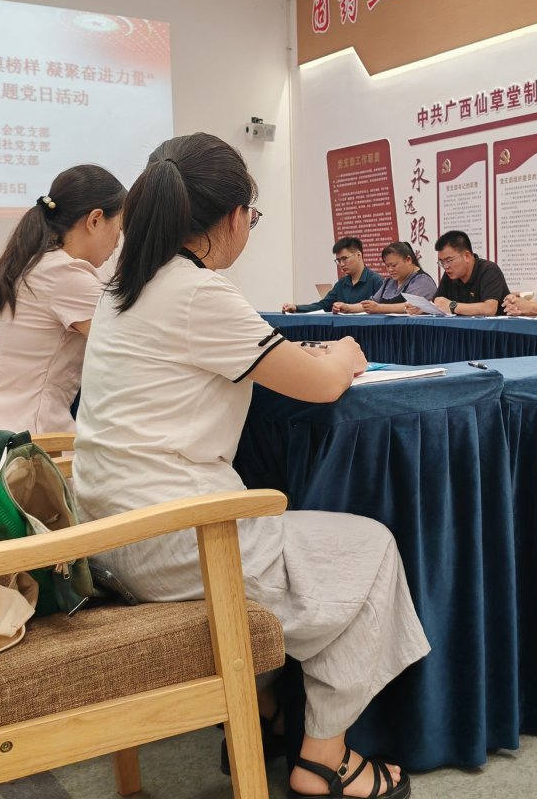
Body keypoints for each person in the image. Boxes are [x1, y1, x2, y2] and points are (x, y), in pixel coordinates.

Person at [74, 134, 426, 799]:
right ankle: (324, 761)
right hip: (176, 538)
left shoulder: (124, 287)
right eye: (253, 217)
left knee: (298, 538)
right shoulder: (197, 291)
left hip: (110, 534)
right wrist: (346, 353)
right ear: (233, 217)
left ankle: (262, 711)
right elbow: (323, 384)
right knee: (369, 548)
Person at [0, 165, 125, 438]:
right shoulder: (65, 274)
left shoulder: (18, 267)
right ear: (95, 220)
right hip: (24, 440)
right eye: (119, 227)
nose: (118, 242)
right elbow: (129, 347)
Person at [282, 237, 384, 313]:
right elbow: (323, 305)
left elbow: (382, 311)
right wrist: (296, 308)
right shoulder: (341, 284)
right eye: (338, 260)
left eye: (344, 259)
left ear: (358, 255)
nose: (341, 264)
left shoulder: (377, 281)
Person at [334, 242, 437, 314]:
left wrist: (379, 308)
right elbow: (371, 304)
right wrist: (347, 307)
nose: (390, 270)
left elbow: (413, 306)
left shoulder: (422, 281)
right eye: (387, 266)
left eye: (394, 265)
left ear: (408, 260)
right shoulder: (389, 282)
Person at [427, 230, 510, 316]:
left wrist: (452, 306)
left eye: (449, 261)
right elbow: (437, 304)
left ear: (466, 256)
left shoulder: (489, 270)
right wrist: (423, 308)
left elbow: (489, 309)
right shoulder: (449, 275)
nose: (446, 266)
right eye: (442, 262)